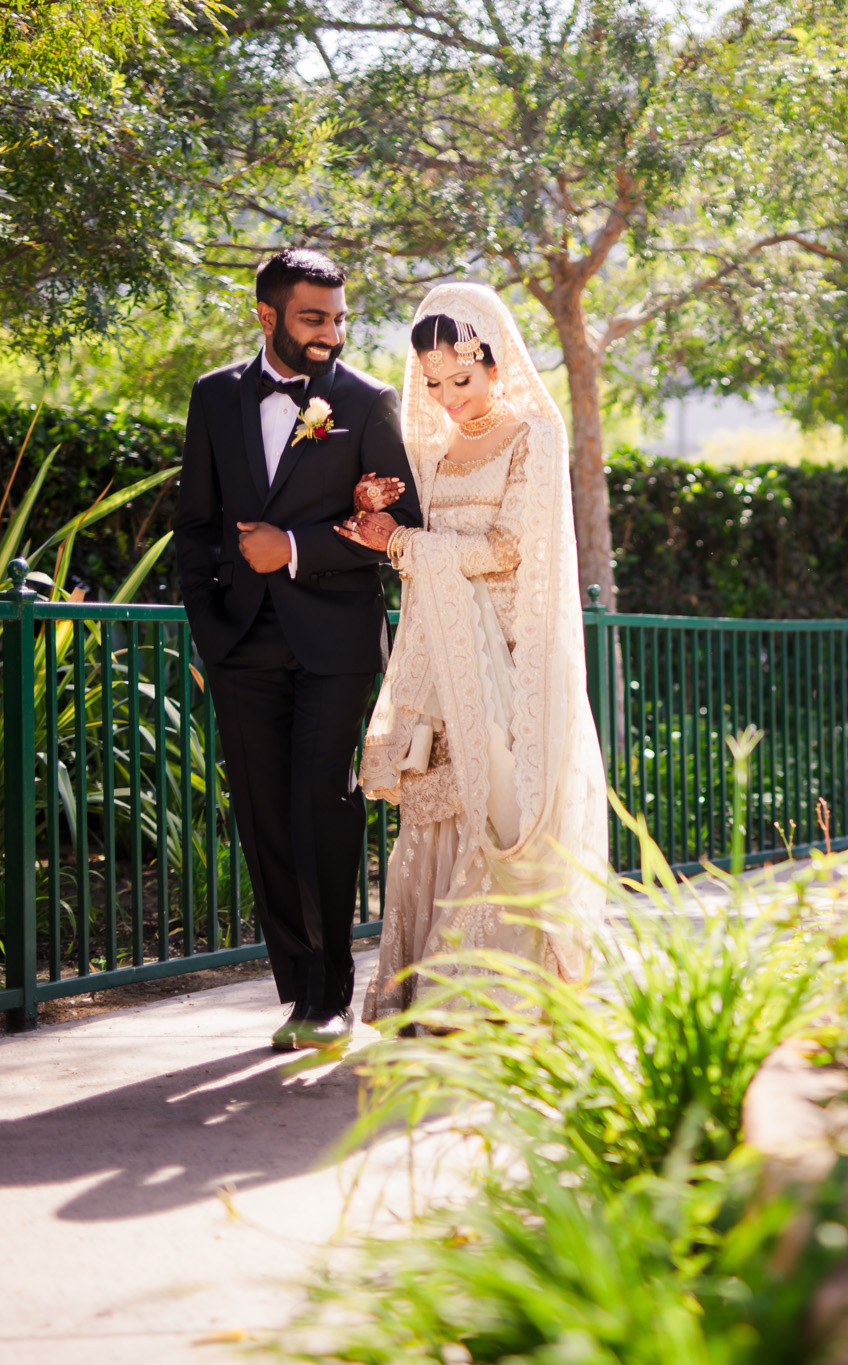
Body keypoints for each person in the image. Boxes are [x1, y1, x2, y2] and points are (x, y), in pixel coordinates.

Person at [173, 248, 423, 1052]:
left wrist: (293, 546)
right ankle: (296, 990)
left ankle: (330, 993)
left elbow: (400, 529)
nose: (332, 333)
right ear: (267, 315)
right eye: (315, 318)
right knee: (264, 814)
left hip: (336, 640)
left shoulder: (368, 401)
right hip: (241, 641)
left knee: (321, 799)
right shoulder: (214, 397)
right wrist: (211, 626)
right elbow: (197, 525)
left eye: (341, 317)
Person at [339, 282, 609, 1022]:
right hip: (441, 657)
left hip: (507, 655)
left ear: (496, 363)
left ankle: (489, 995)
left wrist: (400, 541)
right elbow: (419, 546)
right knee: (437, 810)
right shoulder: (435, 447)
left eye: (461, 379)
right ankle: (426, 989)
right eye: (433, 384)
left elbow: (505, 549)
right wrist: (377, 511)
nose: (448, 397)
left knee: (493, 809)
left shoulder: (533, 437)